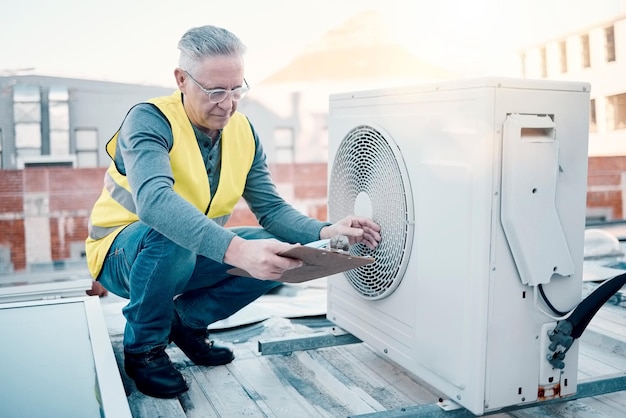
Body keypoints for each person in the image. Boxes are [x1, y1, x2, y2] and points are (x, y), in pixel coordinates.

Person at [85, 24, 381, 399]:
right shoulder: (148, 120)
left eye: (236, 88)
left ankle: (187, 323)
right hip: (121, 256)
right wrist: (240, 251)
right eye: (215, 91)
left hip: (185, 256)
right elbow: (155, 203)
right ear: (181, 79)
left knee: (279, 252)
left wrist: (324, 231)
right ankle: (144, 351)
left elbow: (271, 209)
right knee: (172, 234)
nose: (227, 103)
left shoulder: (243, 131)